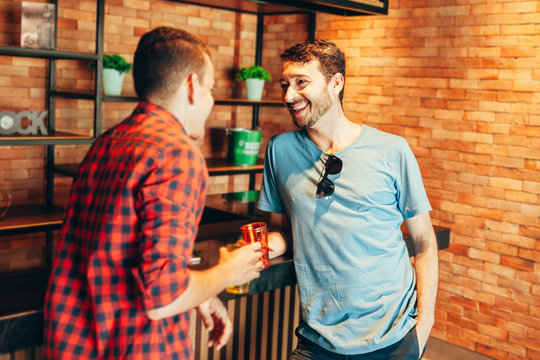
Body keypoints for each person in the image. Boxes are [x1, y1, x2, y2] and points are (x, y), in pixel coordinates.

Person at [43, 27, 266, 359]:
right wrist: (228, 272)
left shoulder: (108, 142)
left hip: (75, 342)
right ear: (192, 86)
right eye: (210, 89)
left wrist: (201, 294)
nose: (212, 101)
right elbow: (163, 298)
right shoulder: (178, 154)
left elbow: (118, 252)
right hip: (136, 347)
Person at [258, 40, 439, 359]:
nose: (288, 96)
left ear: (336, 82)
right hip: (318, 337)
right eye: (285, 84)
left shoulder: (392, 150)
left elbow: (424, 240)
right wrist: (265, 246)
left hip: (394, 336)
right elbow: (285, 231)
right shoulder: (280, 150)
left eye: (302, 82)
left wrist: (424, 324)